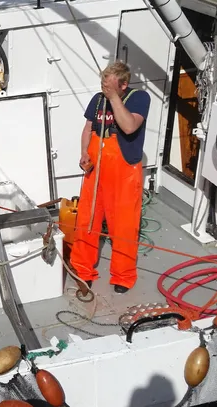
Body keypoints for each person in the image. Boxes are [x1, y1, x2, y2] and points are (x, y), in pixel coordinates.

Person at [70, 61, 150, 295]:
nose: (104, 86)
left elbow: (128, 127)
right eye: (103, 81)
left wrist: (114, 98)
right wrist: (84, 153)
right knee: (87, 219)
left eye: (109, 82)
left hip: (124, 171)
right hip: (96, 168)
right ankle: (82, 270)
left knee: (124, 225)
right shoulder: (97, 99)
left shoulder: (139, 98)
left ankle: (123, 276)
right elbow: (88, 129)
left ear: (123, 84)